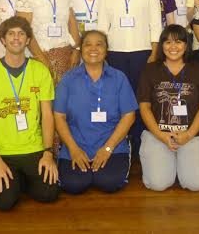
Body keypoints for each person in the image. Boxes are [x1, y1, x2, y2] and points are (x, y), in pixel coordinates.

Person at [0, 16, 59, 210]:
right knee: (5, 202)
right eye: (11, 34)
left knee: (49, 193)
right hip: (1, 151)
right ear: (2, 40)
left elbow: (47, 116)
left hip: (33, 148)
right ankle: (14, 181)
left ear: (28, 40)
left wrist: (48, 153)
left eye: (21, 34)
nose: (16, 38)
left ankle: (20, 179)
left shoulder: (40, 71)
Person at [54, 30, 137, 194]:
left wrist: (107, 149)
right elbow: (59, 116)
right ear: (81, 49)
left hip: (112, 146)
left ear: (106, 50)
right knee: (74, 184)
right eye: (88, 44)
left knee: (108, 182)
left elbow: (129, 116)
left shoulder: (119, 78)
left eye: (99, 44)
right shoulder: (68, 79)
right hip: (76, 145)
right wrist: (74, 149)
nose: (93, 48)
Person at [97, 0, 162, 151]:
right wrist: (103, 57)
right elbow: (102, 28)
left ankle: (141, 144)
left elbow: (156, 25)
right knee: (118, 99)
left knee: (142, 99)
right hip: (115, 55)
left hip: (143, 53)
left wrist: (154, 53)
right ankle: (120, 144)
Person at [137, 25, 199, 191]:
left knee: (196, 184)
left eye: (178, 42)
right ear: (162, 45)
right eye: (168, 42)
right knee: (158, 184)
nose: (173, 47)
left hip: (193, 134)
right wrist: (161, 136)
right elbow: (144, 107)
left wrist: (189, 134)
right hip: (158, 134)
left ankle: (181, 164)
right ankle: (173, 163)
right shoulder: (150, 70)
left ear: (186, 45)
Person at [15, 0, 81, 84]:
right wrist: (41, 58)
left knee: (63, 96)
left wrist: (76, 50)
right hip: (38, 56)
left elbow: (72, 23)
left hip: (66, 56)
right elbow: (24, 30)